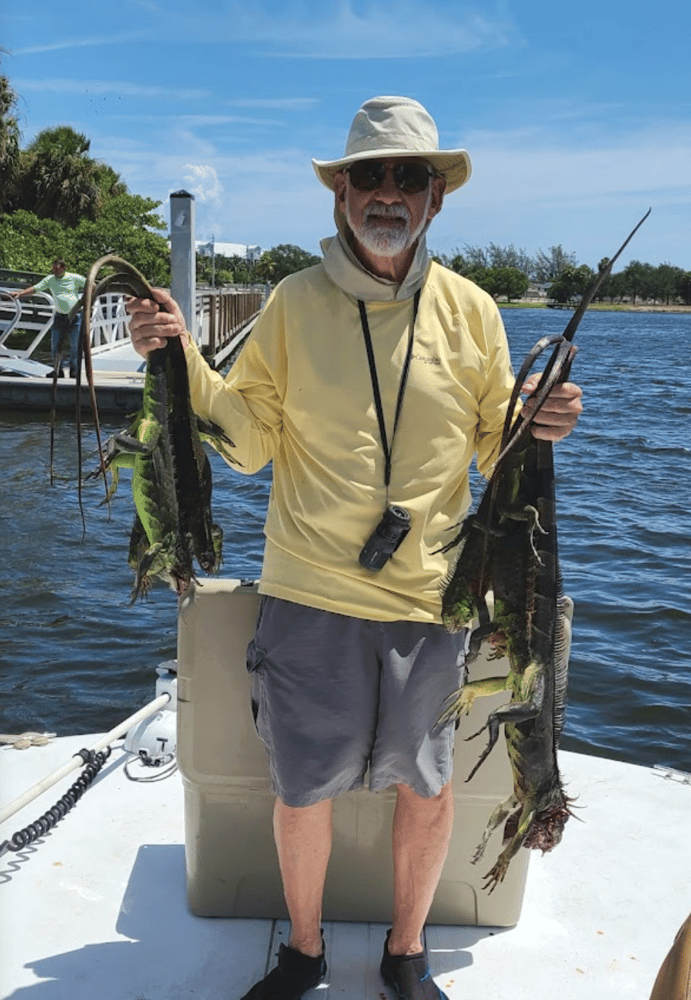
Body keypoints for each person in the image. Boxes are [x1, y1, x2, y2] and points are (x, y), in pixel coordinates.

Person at [127, 96, 583, 1000]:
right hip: (309, 592)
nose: (386, 193)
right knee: (301, 789)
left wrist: (542, 425)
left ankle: (404, 955)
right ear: (339, 194)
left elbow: (496, 454)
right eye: (367, 175)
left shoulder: (474, 312)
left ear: (433, 199)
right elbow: (250, 439)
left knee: (429, 786)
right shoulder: (294, 301)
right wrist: (179, 357)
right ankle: (303, 951)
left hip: (429, 600)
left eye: (406, 176)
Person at [9, 259, 86, 378]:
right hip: (60, 316)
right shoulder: (50, 279)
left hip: (75, 316)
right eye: (53, 268)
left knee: (75, 344)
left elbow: (91, 284)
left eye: (57, 268)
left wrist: (87, 299)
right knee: (55, 344)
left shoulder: (74, 278)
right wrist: (21, 294)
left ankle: (74, 370)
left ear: (63, 268)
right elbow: (36, 288)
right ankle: (57, 370)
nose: (54, 271)